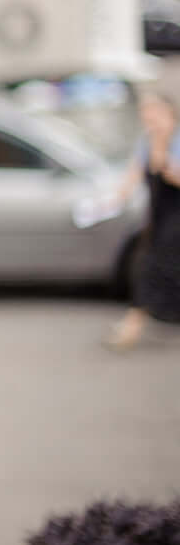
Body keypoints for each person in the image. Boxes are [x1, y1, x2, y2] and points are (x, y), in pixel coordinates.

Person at [105, 88, 180, 350]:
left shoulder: (176, 139)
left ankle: (131, 327)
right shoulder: (146, 141)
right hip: (159, 215)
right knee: (156, 265)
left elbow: (168, 172)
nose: (146, 117)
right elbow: (133, 175)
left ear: (166, 112)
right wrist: (113, 200)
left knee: (153, 267)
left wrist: (164, 151)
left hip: (176, 216)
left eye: (150, 111)